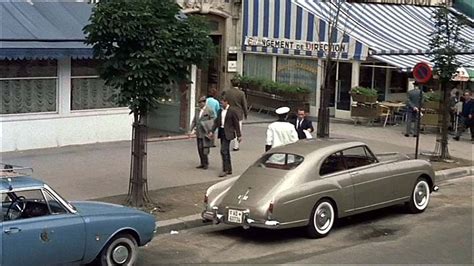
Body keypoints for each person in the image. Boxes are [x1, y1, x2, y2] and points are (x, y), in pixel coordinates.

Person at [210, 97, 242, 177]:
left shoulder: (232, 111)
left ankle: (225, 170)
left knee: (223, 150)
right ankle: (229, 169)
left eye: (222, 103)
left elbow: (236, 123)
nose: (221, 105)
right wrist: (212, 131)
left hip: (229, 133)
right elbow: (217, 122)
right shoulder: (220, 111)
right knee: (226, 151)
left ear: (226, 102)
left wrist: (239, 135)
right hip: (222, 132)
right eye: (220, 103)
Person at [189, 96, 216, 170]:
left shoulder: (209, 110)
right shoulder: (197, 110)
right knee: (199, 148)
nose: (199, 104)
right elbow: (194, 120)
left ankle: (206, 163)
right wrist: (190, 129)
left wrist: (208, 127)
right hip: (199, 132)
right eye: (199, 102)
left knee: (204, 148)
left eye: (201, 102)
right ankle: (202, 162)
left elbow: (213, 120)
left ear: (204, 102)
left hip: (205, 132)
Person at [222, 80, 248, 151]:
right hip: (238, 113)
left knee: (228, 127)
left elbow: (224, 100)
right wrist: (246, 113)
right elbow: (244, 104)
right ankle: (236, 146)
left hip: (229, 112)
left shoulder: (227, 92)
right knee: (238, 129)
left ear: (231, 84)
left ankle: (226, 142)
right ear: (238, 84)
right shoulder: (241, 93)